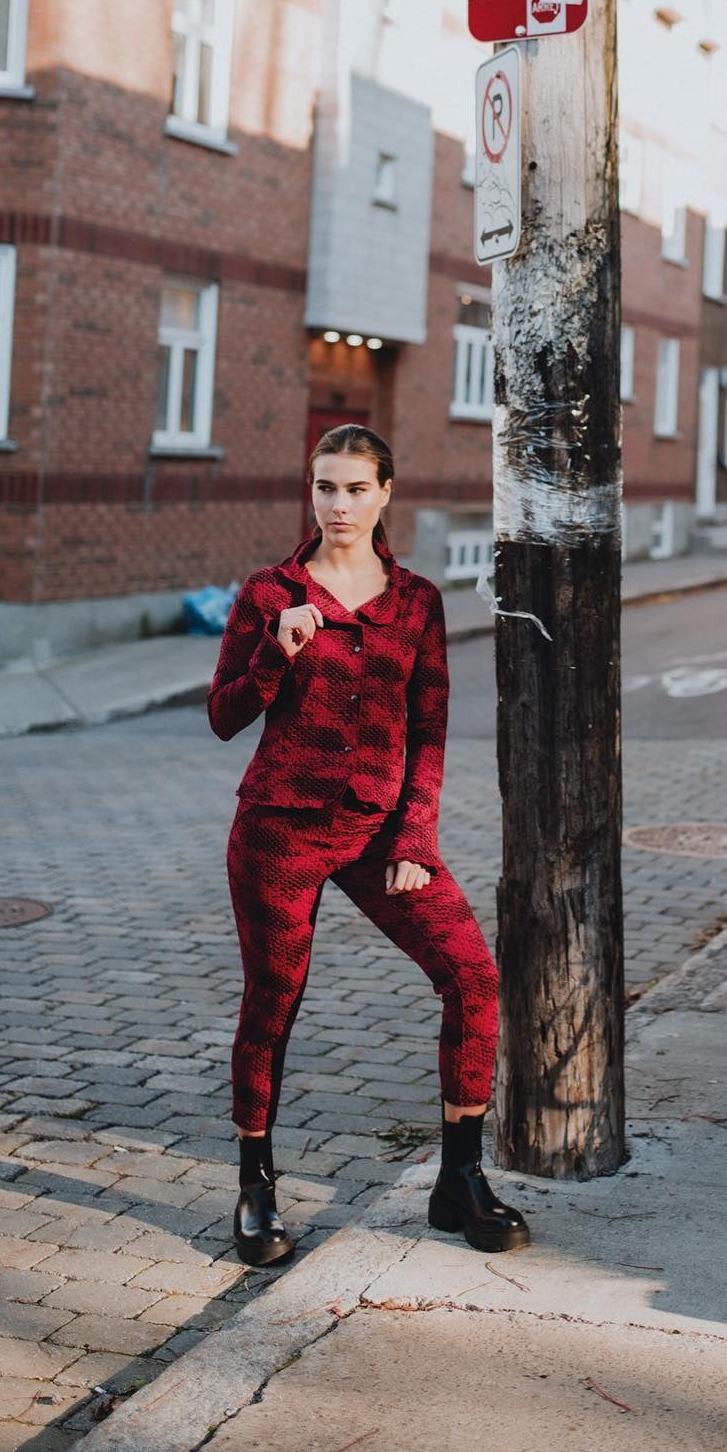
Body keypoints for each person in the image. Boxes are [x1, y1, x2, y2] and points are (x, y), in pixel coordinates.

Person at [208, 423, 530, 1267]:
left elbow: (430, 729)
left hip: (380, 832)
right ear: (308, 492)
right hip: (278, 831)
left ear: (386, 492)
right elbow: (223, 716)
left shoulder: (416, 601)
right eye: (325, 488)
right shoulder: (269, 592)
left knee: (472, 977)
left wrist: (416, 834)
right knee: (272, 1005)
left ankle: (459, 1180)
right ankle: (255, 1186)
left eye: (355, 488)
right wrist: (275, 657)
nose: (339, 505)